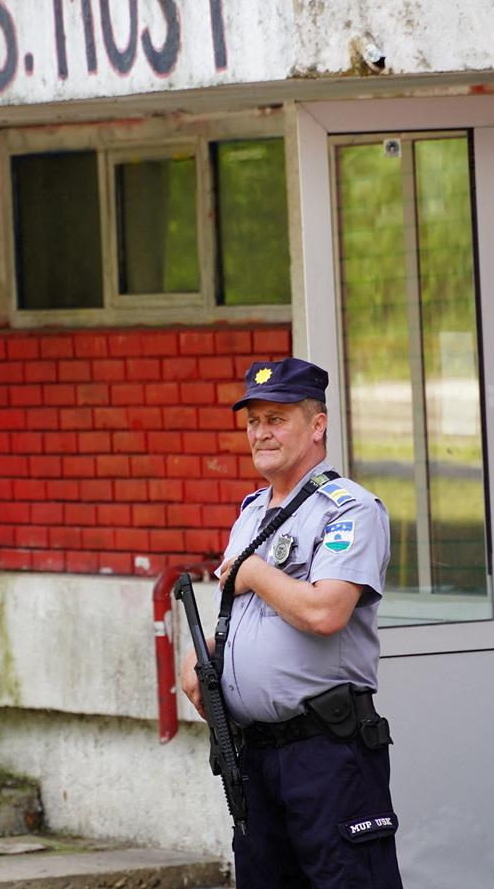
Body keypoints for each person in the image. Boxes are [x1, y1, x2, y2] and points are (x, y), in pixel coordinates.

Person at [180, 356, 403, 888]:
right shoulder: (252, 513)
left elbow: (326, 612)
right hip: (253, 754)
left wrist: (255, 572)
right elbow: (246, 615)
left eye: (276, 419)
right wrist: (205, 657)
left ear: (317, 425)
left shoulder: (347, 510)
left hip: (327, 753)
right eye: (253, 422)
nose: (261, 433)